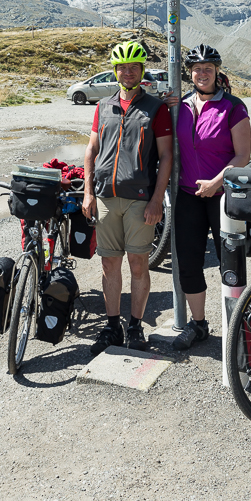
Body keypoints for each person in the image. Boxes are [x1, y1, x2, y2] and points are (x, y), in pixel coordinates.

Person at [83, 41, 173, 354]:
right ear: (115, 70)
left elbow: (166, 156)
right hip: (106, 197)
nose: (128, 72)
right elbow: (91, 150)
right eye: (122, 67)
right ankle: (112, 327)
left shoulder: (156, 108)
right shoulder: (103, 106)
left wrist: (157, 200)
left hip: (140, 199)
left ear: (142, 70)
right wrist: (88, 192)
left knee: (138, 264)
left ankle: (135, 326)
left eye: (134, 66)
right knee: (109, 265)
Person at [167, 44, 251, 351]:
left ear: (217, 72)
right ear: (189, 74)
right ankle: (199, 324)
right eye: (196, 69)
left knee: (230, 261)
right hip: (188, 196)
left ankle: (237, 325)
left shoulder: (233, 107)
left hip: (223, 196)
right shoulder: (181, 106)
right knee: (189, 262)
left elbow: (243, 155)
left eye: (208, 69)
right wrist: (165, 104)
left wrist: (217, 182)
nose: (202, 74)